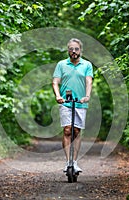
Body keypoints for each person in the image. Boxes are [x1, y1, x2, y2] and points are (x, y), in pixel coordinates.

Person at [52, 38, 93, 173]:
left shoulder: (87, 65)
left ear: (80, 50)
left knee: (76, 131)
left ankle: (74, 162)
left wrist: (87, 96)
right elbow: (55, 82)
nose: (73, 51)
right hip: (65, 102)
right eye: (71, 49)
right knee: (67, 130)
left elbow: (89, 81)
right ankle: (68, 162)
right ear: (68, 50)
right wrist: (58, 96)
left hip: (80, 103)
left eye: (76, 49)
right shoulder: (61, 64)